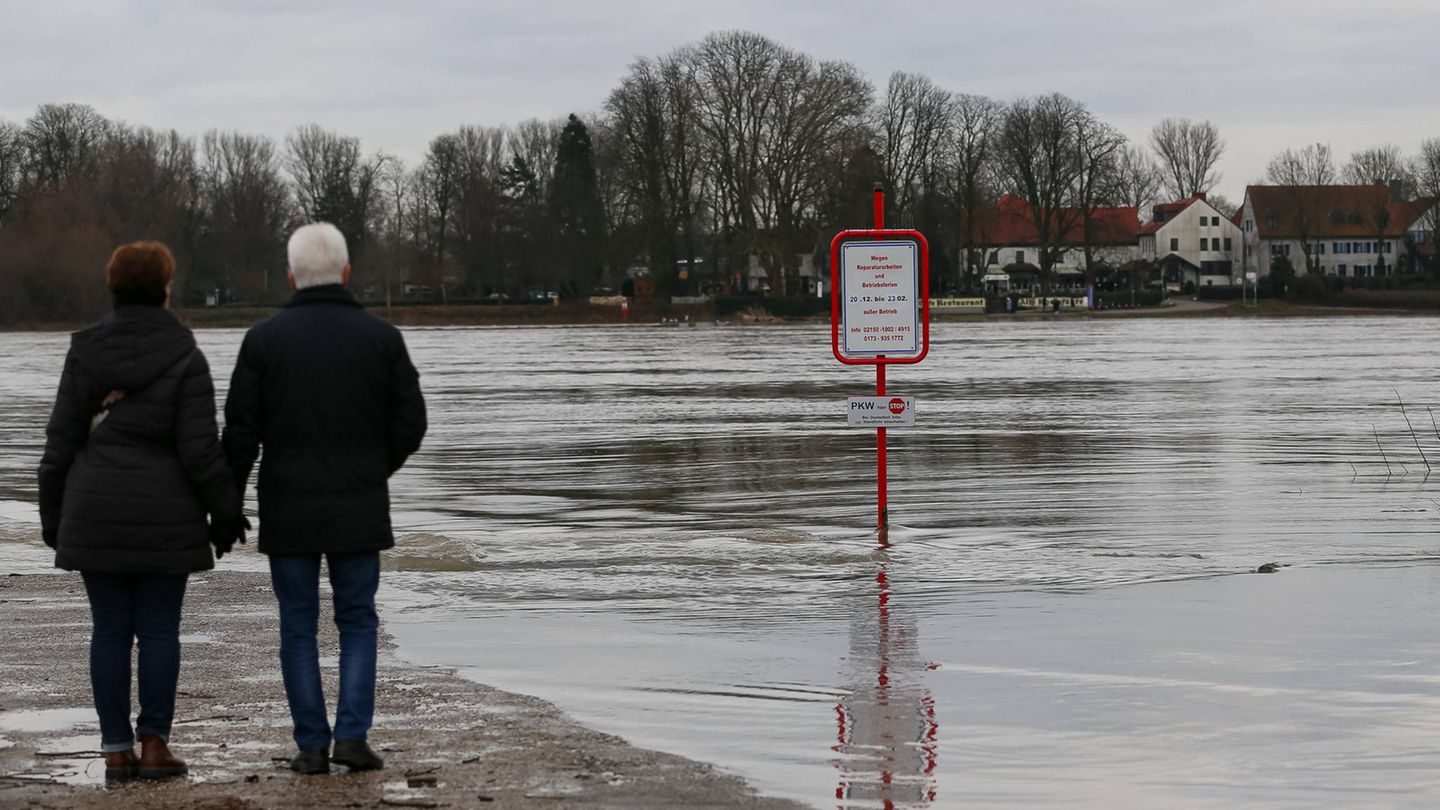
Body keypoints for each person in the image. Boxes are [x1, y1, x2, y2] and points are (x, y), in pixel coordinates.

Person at [223, 223, 426, 775]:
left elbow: (239, 434)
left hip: (288, 502)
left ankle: (312, 745)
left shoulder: (263, 340)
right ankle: (353, 738)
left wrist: (227, 505)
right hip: (358, 502)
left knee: (297, 623)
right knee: (358, 619)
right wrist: (371, 470)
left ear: (290, 277)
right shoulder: (381, 338)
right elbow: (411, 424)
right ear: (347, 273)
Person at [38, 242, 245, 781]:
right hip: (166, 517)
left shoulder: (84, 352)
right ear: (165, 289)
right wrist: (225, 514)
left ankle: (114, 749)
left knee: (108, 630)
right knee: (158, 631)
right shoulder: (186, 355)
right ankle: (154, 745)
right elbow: (201, 450)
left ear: (112, 288)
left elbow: (60, 441)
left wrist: (52, 515)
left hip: (94, 510)